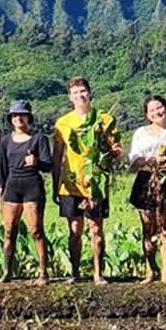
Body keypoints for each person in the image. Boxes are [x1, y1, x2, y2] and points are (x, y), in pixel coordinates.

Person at [52, 77, 121, 284]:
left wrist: (108, 155)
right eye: (75, 93)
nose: (80, 96)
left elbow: (117, 149)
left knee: (96, 229)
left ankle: (98, 273)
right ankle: (74, 273)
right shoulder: (63, 123)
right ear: (70, 97)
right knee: (74, 230)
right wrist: (55, 185)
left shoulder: (104, 119)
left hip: (96, 184)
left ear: (89, 93)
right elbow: (57, 156)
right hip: (71, 183)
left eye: (83, 91)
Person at [128, 95, 166, 284]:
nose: (157, 112)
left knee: (165, 228)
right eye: (152, 110)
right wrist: (151, 161)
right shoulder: (140, 133)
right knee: (148, 228)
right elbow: (134, 161)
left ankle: (165, 272)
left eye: (160, 107)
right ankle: (150, 270)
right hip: (145, 180)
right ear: (147, 114)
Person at [0, 100, 52, 284]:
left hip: (32, 186)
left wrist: (37, 161)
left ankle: (43, 272)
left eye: (22, 114)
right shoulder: (5, 141)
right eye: (15, 115)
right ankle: (7, 272)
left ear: (29, 117)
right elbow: (2, 170)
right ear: (11, 119)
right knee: (9, 230)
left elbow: (48, 165)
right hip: (12, 187)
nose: (19, 118)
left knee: (36, 230)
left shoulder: (39, 138)